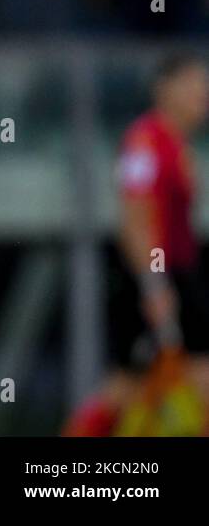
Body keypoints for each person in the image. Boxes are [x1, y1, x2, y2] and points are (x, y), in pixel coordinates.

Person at [64, 52, 209, 435]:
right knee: (126, 388)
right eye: (194, 85)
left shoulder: (178, 145)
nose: (203, 94)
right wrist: (154, 282)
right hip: (155, 276)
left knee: (183, 380)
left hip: (180, 273)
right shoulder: (145, 142)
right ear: (165, 89)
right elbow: (136, 219)